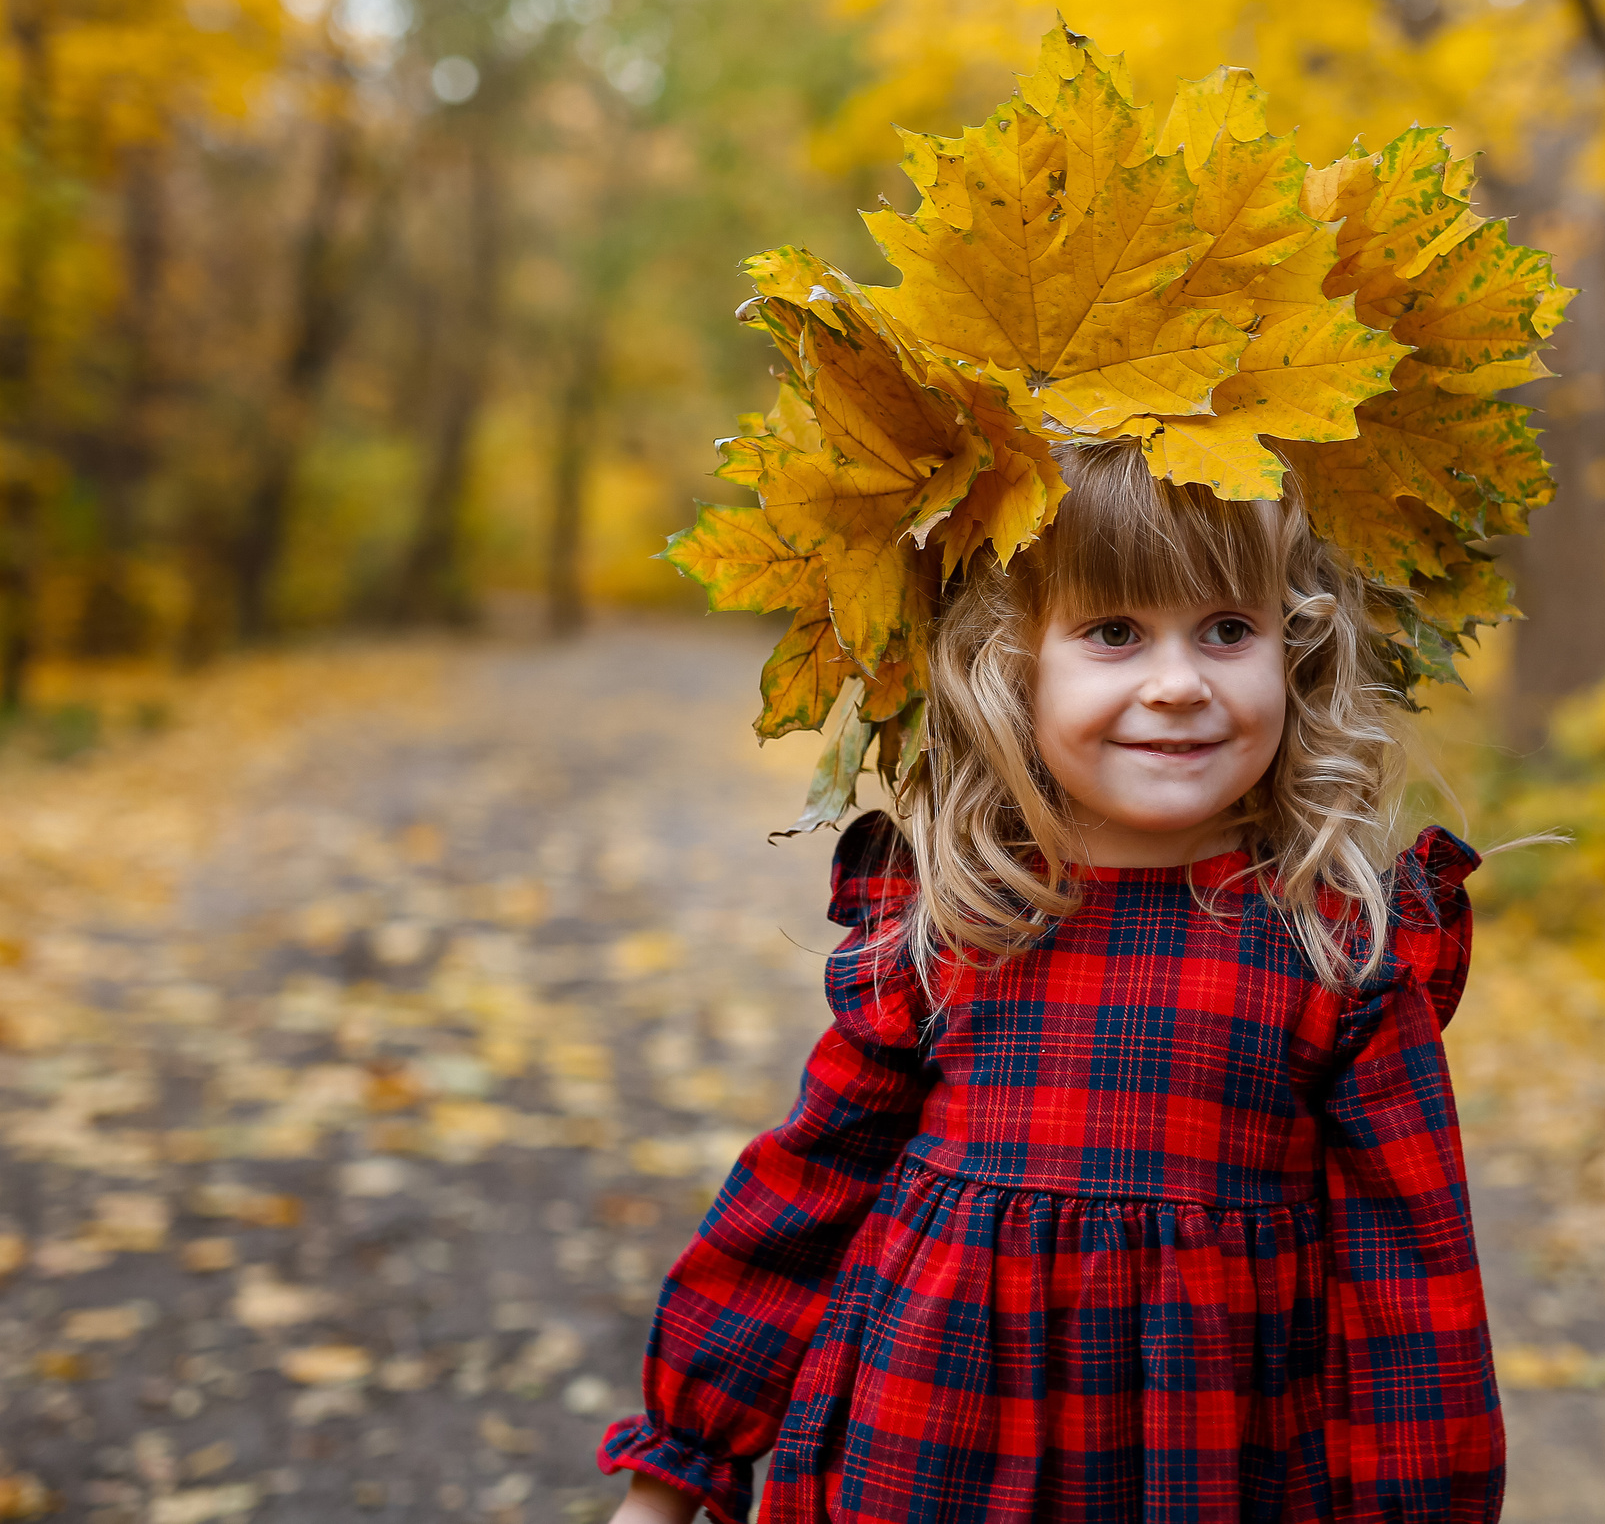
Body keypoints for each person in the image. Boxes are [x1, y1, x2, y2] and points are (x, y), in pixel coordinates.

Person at [599, 441, 1503, 1524]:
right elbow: (800, 1198)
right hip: (929, 1455)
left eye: (1228, 629)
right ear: (1011, 661)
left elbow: (1412, 1284)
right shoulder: (956, 924)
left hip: (1210, 1466)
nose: (1179, 684)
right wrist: (676, 1462)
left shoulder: (1337, 948)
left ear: (1293, 649)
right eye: (1114, 632)